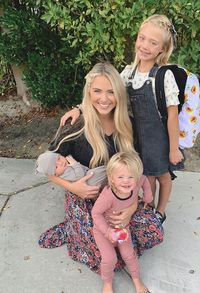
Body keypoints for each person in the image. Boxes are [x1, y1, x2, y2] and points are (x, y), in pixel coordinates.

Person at [38, 62, 163, 274]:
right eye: (97, 91)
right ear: (88, 92)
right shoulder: (74, 126)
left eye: (111, 92)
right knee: (103, 254)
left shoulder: (128, 125)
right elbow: (46, 167)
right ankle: (74, 227)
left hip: (120, 195)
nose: (104, 99)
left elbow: (137, 171)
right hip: (85, 198)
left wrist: (132, 207)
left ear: (119, 95)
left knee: (153, 231)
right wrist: (74, 188)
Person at [60, 14, 184, 224]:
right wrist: (80, 108)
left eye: (153, 43)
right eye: (142, 38)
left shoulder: (163, 75)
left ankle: (160, 211)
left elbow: (172, 116)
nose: (145, 45)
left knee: (163, 176)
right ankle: (148, 208)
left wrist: (173, 148)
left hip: (158, 136)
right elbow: (109, 90)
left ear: (161, 49)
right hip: (136, 135)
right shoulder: (128, 73)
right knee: (146, 175)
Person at [92, 151, 152, 293]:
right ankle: (107, 283)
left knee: (129, 255)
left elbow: (144, 179)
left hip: (122, 228)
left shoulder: (137, 182)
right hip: (103, 232)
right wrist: (107, 232)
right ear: (111, 179)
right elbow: (95, 213)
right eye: (120, 177)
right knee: (109, 259)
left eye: (131, 176)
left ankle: (136, 279)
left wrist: (148, 197)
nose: (126, 181)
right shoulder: (107, 196)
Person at [35, 151, 107, 187]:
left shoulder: (65, 165)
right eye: (56, 167)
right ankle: (109, 169)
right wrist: (75, 164)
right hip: (87, 181)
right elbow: (80, 176)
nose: (61, 163)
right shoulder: (65, 174)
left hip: (87, 173)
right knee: (97, 173)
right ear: (56, 174)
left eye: (59, 158)